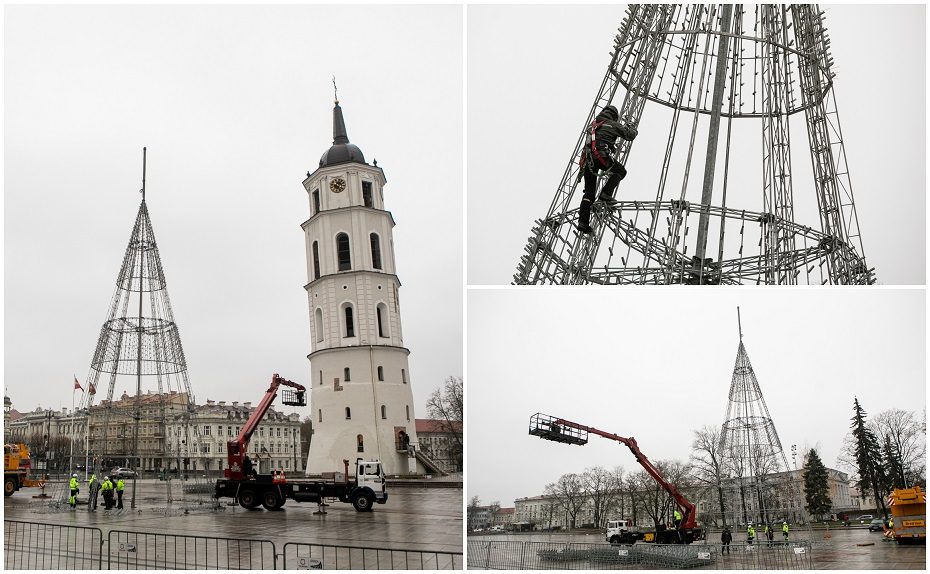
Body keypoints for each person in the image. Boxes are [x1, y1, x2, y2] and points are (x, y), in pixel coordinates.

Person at [577, 104, 638, 234]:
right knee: (620, 171)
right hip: (601, 156)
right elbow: (630, 135)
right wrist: (632, 127)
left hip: (588, 161)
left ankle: (582, 222)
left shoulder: (592, 126)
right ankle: (605, 194)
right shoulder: (612, 124)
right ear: (614, 116)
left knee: (589, 194)